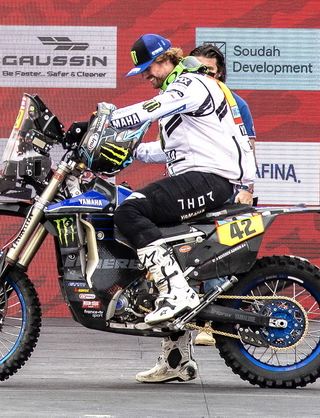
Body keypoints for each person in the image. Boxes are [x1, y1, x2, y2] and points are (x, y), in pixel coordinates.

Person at [102, 34, 256, 383]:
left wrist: (105, 122)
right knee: (171, 253)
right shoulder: (181, 94)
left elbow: (149, 109)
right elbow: (170, 151)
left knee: (129, 212)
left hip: (209, 179)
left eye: (149, 68)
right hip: (202, 176)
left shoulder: (190, 83)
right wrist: (129, 153)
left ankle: (177, 292)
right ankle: (176, 360)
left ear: (166, 59)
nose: (146, 76)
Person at [188, 43, 255, 347]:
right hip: (187, 190)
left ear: (221, 74)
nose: (204, 75)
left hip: (224, 190)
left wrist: (247, 189)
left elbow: (247, 149)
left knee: (218, 255)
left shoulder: (235, 104)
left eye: (210, 71)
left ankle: (212, 323)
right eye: (198, 70)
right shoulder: (181, 99)